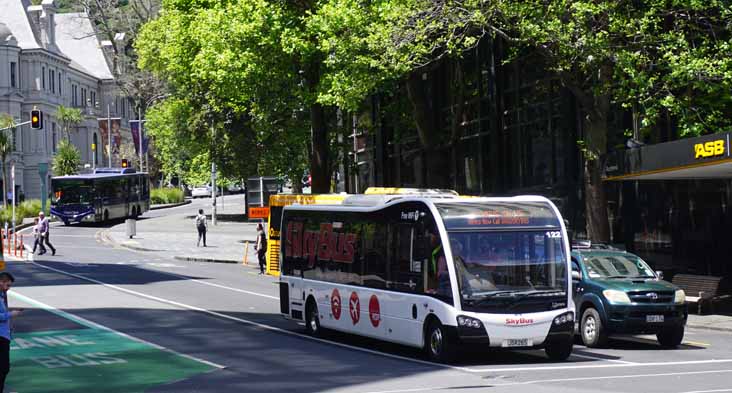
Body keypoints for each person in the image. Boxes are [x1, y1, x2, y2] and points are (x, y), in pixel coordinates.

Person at [0, 272, 22, 393]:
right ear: (1, 282)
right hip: (1, 337)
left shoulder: (2, 295)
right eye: (7, 285)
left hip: (4, 334)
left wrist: (9, 324)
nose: (8, 288)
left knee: (4, 368)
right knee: (3, 368)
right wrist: (11, 314)